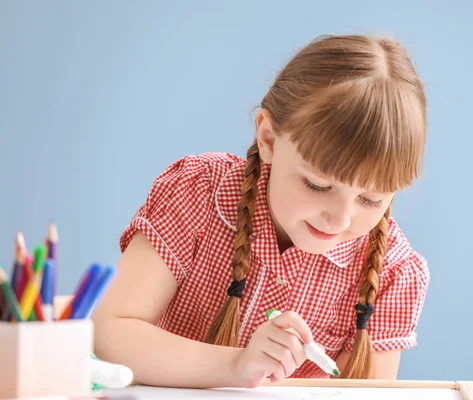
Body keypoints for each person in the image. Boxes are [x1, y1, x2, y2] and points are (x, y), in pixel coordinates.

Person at [91, 33, 430, 389]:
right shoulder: (199, 191)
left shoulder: (394, 273)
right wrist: (236, 364)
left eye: (372, 200)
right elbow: (111, 332)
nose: (341, 219)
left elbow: (366, 395)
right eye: (317, 185)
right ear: (268, 139)